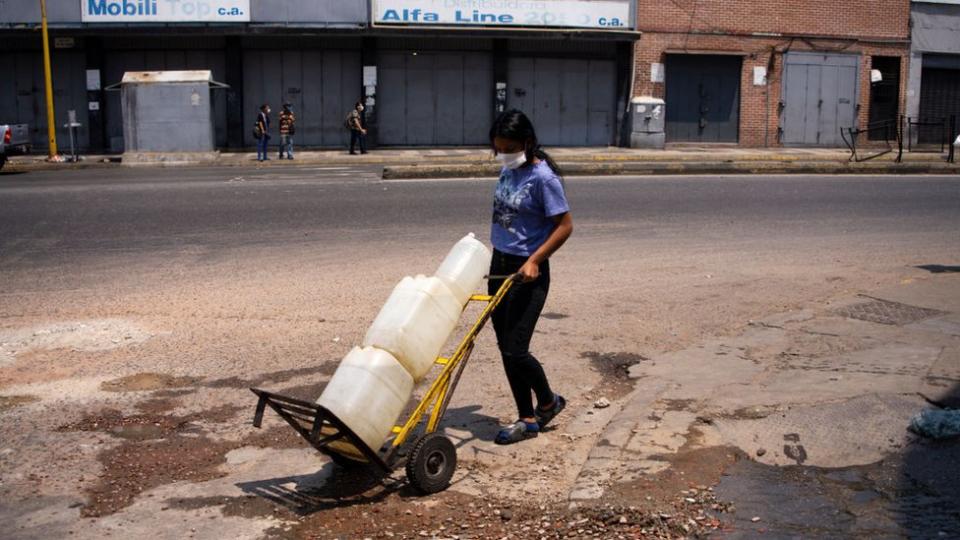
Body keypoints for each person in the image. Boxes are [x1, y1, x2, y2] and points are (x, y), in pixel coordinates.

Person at [487, 109, 574, 445]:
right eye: (498, 148)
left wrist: (536, 259)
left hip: (528, 271)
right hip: (499, 264)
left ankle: (543, 406)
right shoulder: (508, 170)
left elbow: (565, 226)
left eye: (509, 148)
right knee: (504, 347)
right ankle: (532, 414)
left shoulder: (544, 179)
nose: (503, 154)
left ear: (527, 142)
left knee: (515, 349)